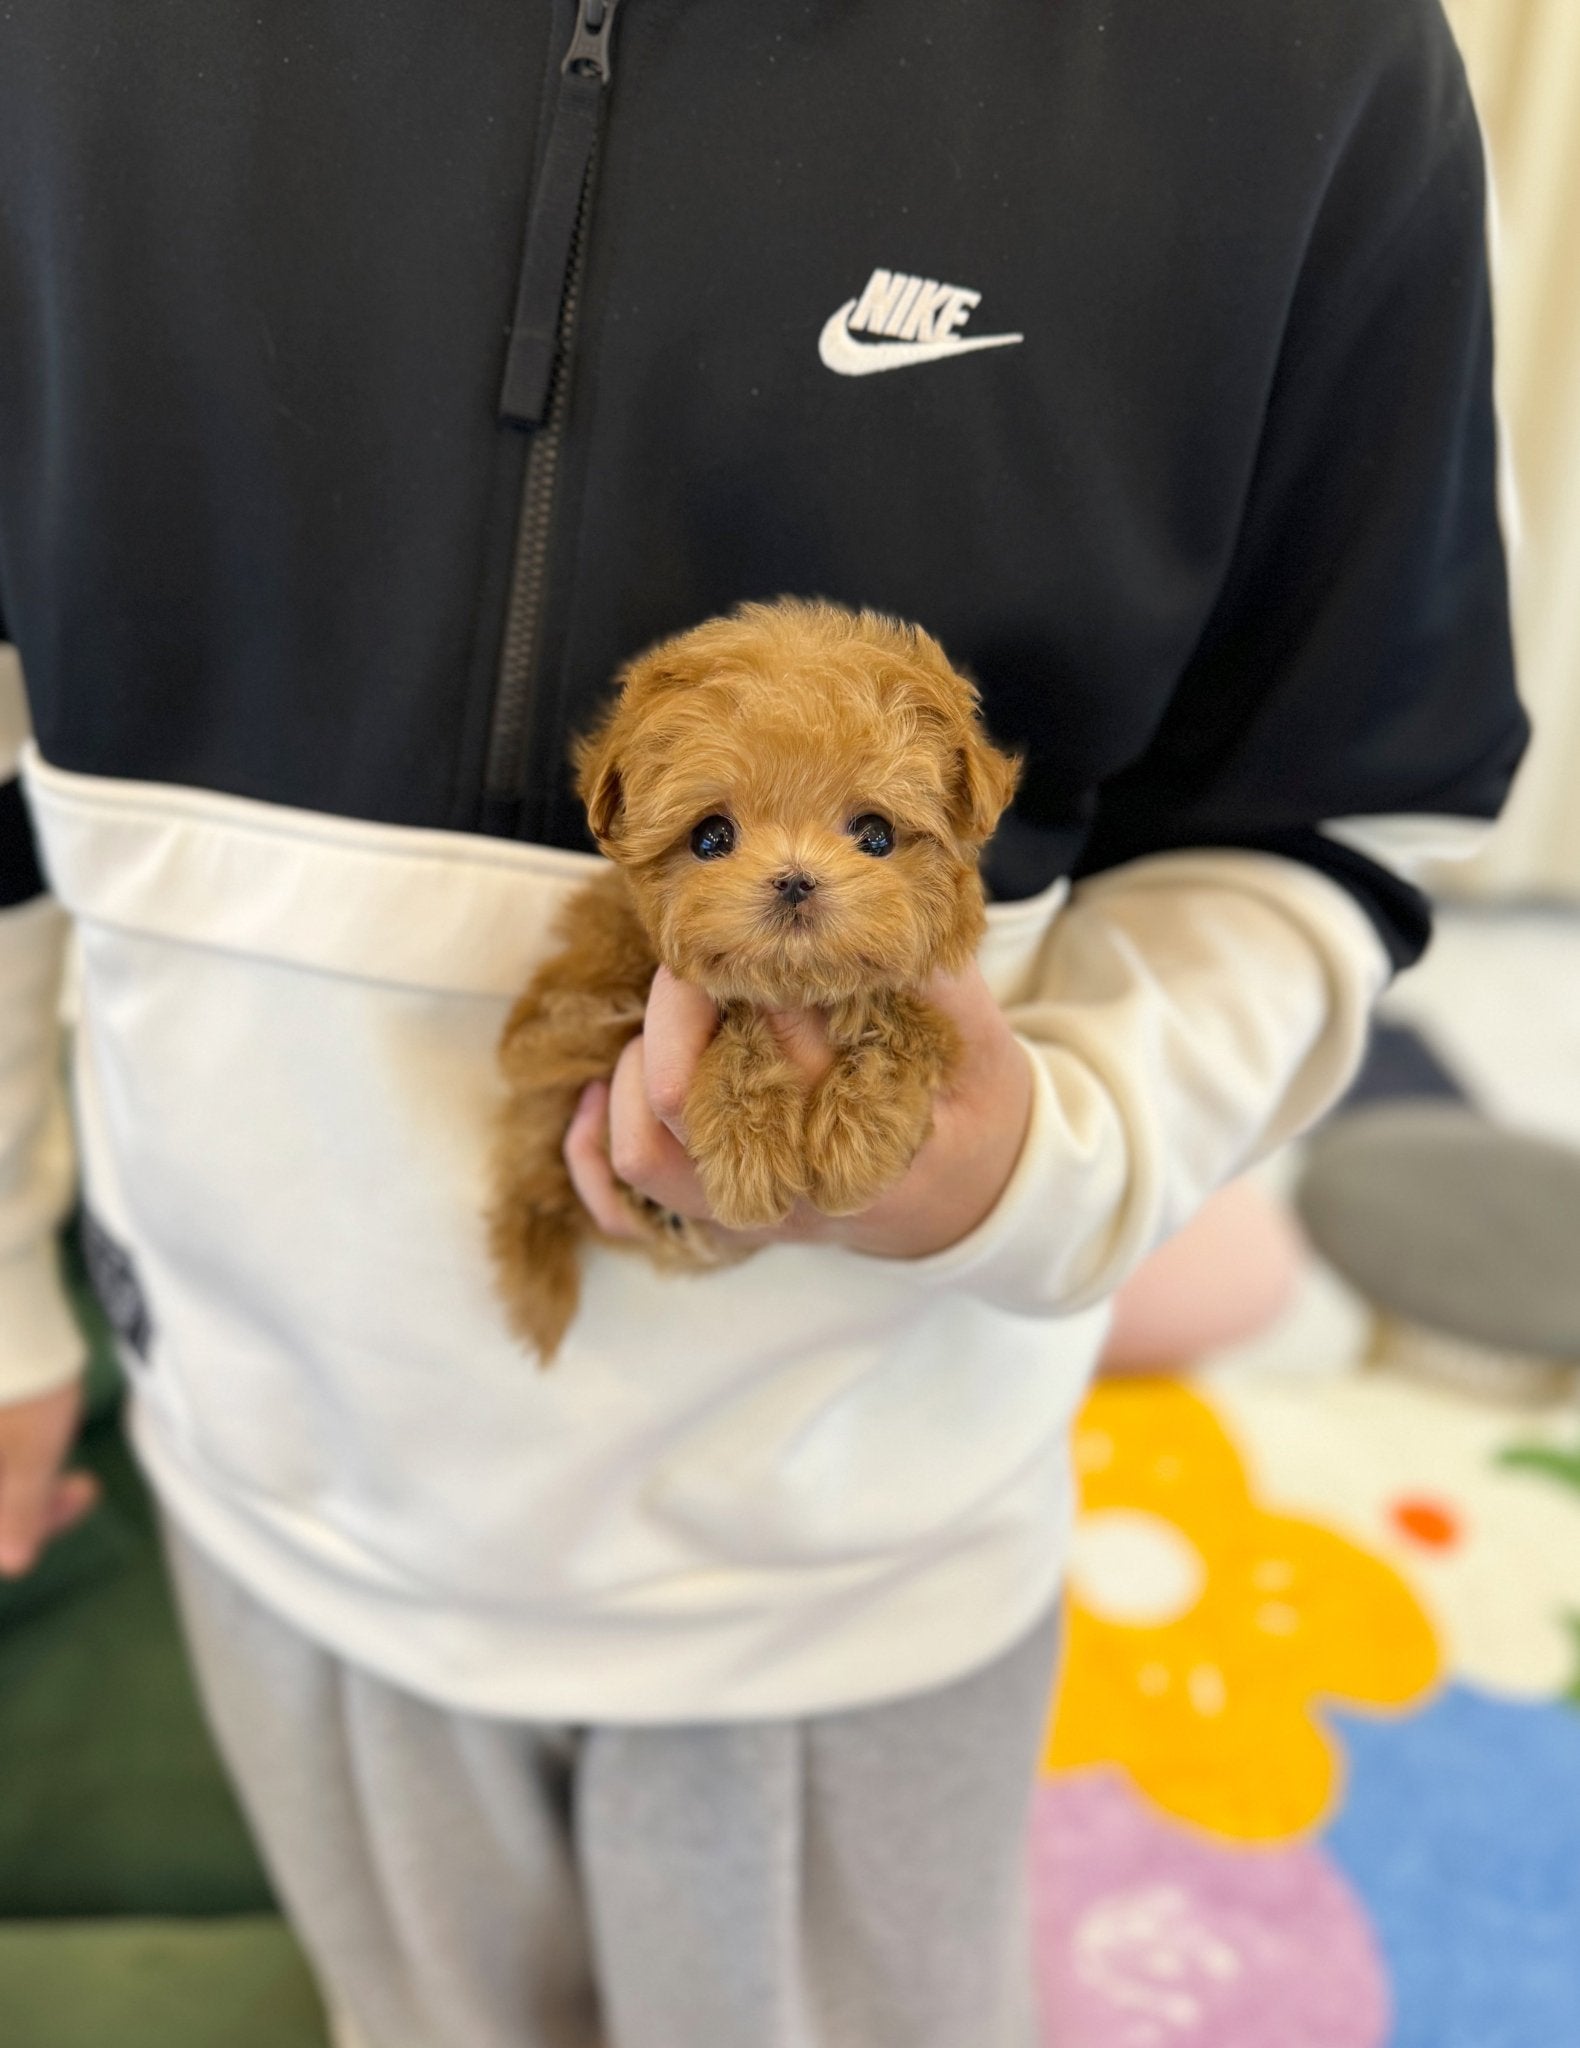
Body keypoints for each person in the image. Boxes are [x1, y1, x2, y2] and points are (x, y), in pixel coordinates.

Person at [0, 2, 1525, 2044]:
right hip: (274, 1478)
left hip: (858, 1556)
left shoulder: (1293, 60)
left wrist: (1056, 1156)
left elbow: (1329, 811)